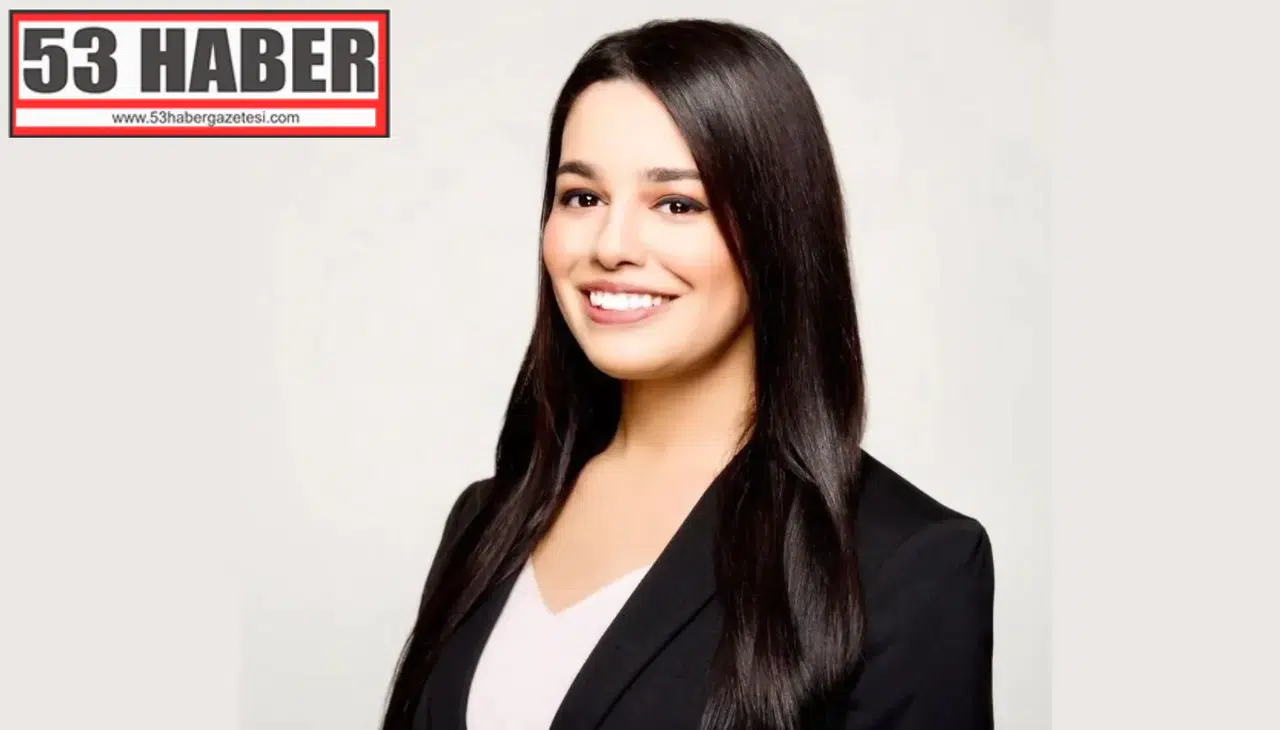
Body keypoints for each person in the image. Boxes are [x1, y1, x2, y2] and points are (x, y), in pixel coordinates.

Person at [381, 18, 995, 730]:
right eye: (582, 197)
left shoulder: (904, 562)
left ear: (776, 232)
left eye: (677, 204)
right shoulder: (487, 521)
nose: (611, 245)